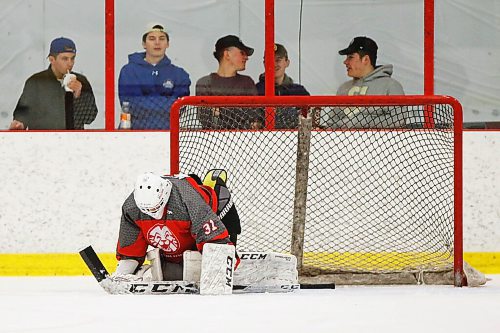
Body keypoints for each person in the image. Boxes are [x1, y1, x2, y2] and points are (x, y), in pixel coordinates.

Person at [112, 170, 241, 281]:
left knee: (229, 223)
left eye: (155, 208)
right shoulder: (131, 208)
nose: (152, 214)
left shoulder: (189, 201)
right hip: (179, 241)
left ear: (164, 196)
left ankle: (211, 185)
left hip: (215, 208)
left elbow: (214, 239)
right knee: (172, 274)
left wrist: (221, 266)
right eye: (147, 211)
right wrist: (124, 273)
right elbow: (130, 249)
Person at [10, 37, 98, 130]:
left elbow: (90, 118)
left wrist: (78, 96)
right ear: (52, 59)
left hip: (73, 141)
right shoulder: (36, 82)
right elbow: (22, 113)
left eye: (72, 58)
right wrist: (20, 124)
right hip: (41, 141)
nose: (70, 63)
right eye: (65, 59)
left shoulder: (81, 81)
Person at [320, 36, 406, 129]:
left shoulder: (391, 86)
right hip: (342, 142)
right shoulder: (343, 88)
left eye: (350, 57)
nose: (345, 62)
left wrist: (357, 122)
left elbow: (398, 120)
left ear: (365, 59)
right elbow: (331, 122)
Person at [118, 24, 191, 129]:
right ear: (144, 44)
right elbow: (131, 105)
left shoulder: (180, 74)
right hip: (134, 134)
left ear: (168, 44)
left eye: (162, 39)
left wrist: (146, 98)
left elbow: (178, 107)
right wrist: (166, 100)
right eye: (152, 39)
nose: (157, 43)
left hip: (169, 134)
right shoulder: (128, 71)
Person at [195, 35, 261, 129]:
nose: (246, 57)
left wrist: (219, 112)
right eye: (242, 53)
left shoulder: (247, 82)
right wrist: (240, 114)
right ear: (227, 54)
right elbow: (206, 121)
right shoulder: (204, 83)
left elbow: (255, 118)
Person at [255, 43, 310, 129]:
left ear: (287, 63)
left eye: (278, 60)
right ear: (264, 63)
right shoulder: (256, 90)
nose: (273, 64)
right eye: (270, 60)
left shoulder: (299, 91)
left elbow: (309, 120)